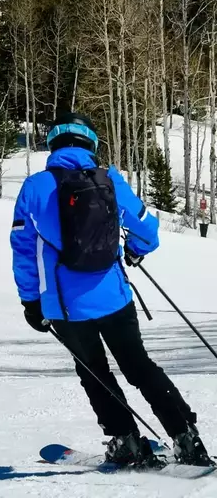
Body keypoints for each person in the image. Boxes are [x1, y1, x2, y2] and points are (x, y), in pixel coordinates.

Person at [11, 111, 211, 468]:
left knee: (95, 375)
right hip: (114, 296)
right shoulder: (111, 179)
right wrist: (134, 250)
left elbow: (23, 251)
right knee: (139, 366)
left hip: (64, 307)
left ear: (53, 144)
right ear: (91, 143)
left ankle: (127, 442)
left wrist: (30, 302)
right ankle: (186, 438)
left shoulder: (35, 187)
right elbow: (148, 230)